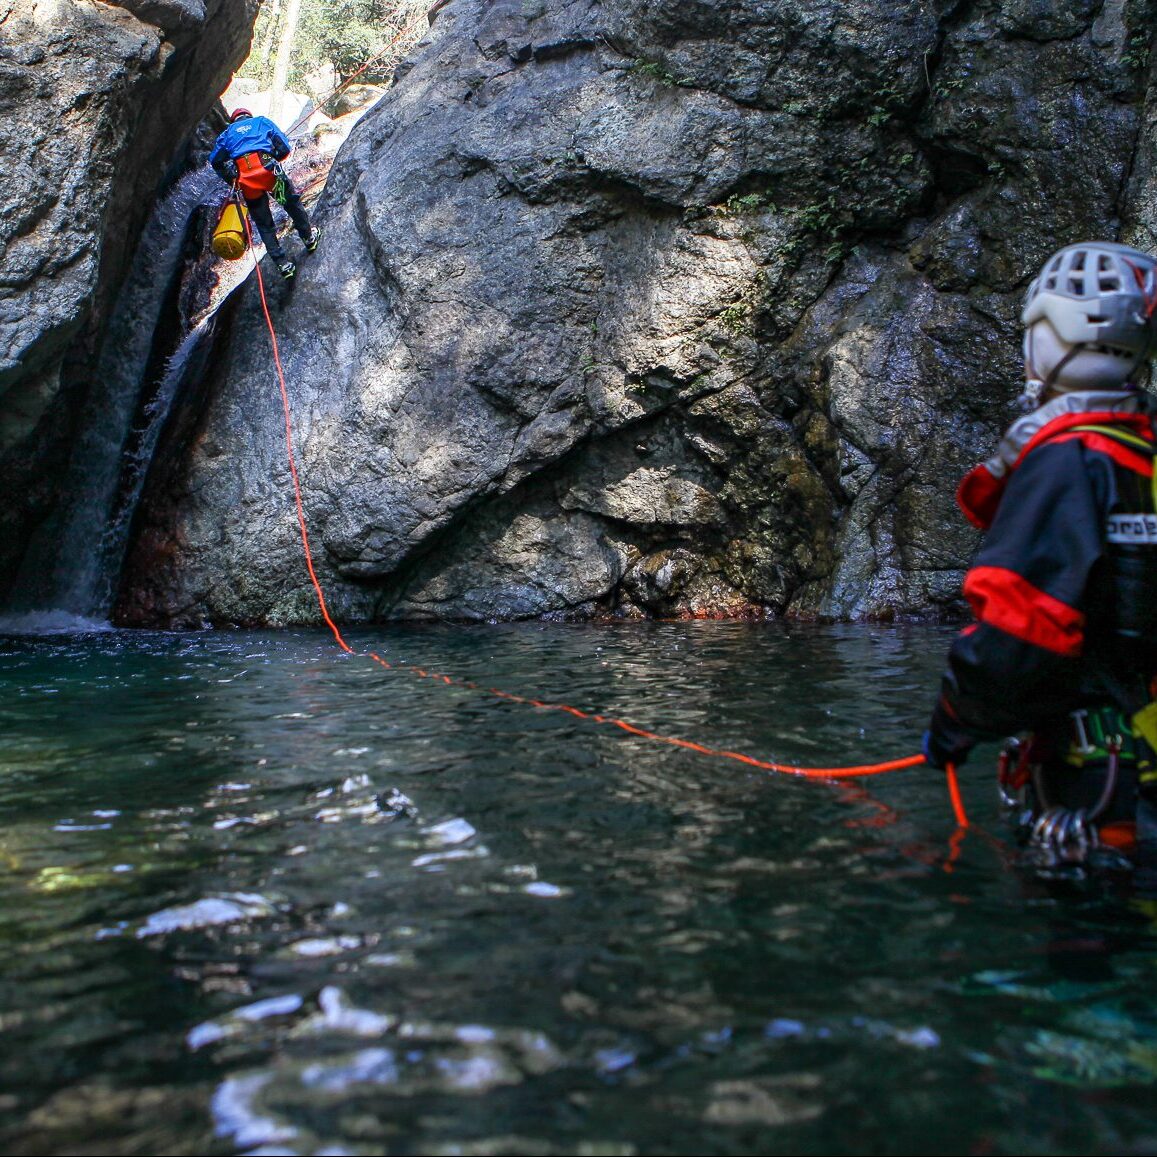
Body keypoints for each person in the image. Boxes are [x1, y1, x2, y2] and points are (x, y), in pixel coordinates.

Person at [923, 240, 1157, 864]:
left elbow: (1018, 632)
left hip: (1099, 787)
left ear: (1051, 337)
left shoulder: (1068, 461)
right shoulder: (1141, 454)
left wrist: (954, 721)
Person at [209, 107, 321, 279]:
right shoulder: (261, 122)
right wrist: (274, 157)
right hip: (269, 171)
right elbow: (284, 147)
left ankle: (283, 264)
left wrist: (231, 178)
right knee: (290, 203)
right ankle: (309, 238)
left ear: (233, 120)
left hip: (247, 181)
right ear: (248, 116)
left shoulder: (227, 134)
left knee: (264, 224)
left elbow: (215, 161)